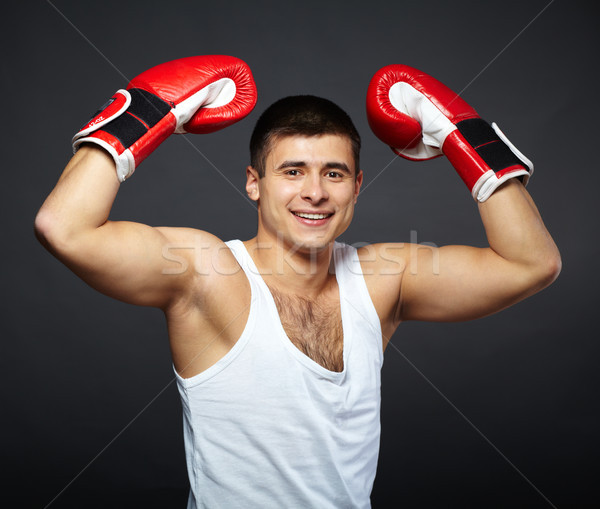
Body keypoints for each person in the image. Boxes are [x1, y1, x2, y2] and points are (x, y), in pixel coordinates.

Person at [35, 55, 561, 508]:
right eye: (292, 171)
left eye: (333, 173)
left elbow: (530, 263)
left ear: (357, 187)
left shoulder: (382, 280)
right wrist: (147, 112)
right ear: (253, 183)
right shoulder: (207, 274)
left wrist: (463, 135)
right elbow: (65, 227)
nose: (315, 192)